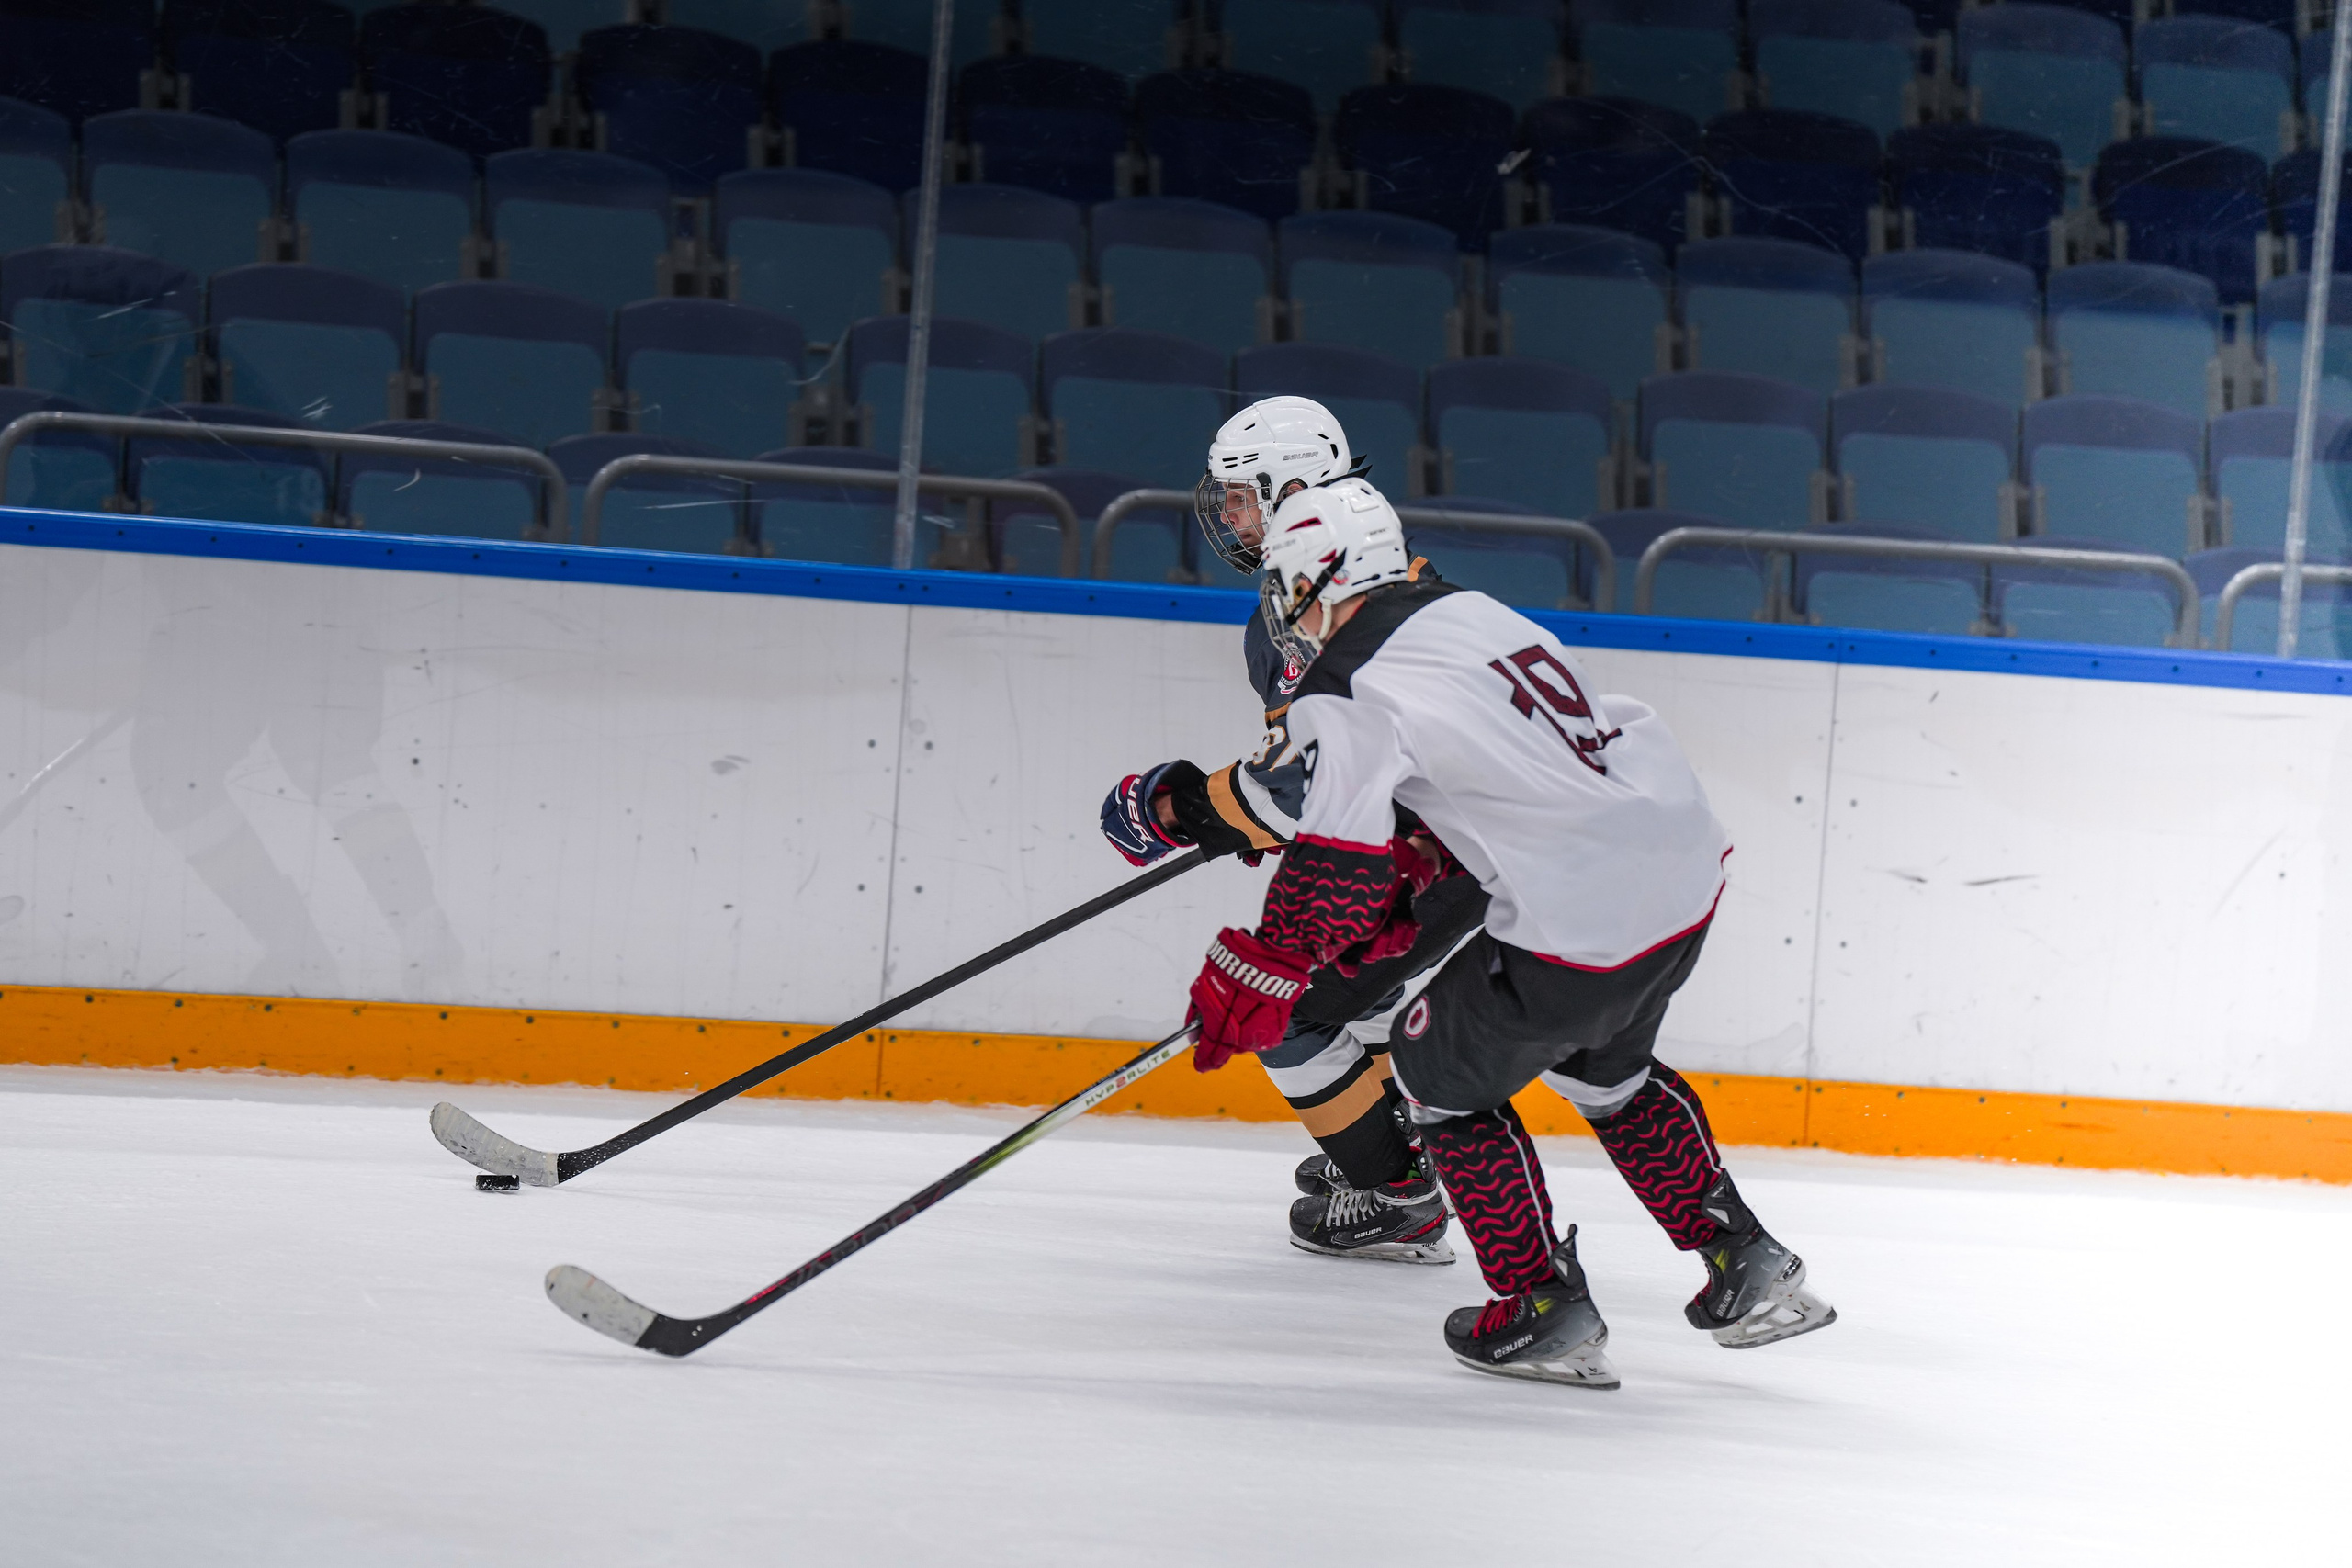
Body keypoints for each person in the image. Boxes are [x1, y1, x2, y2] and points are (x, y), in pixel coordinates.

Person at [1182, 475, 1837, 1387]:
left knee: (1434, 1079)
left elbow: (1335, 865)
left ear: (1314, 577)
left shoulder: (1345, 679)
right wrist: (1423, 852)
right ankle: (1747, 1260)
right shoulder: (1471, 612)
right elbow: (1509, 763)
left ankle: (1541, 1307)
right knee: (1605, 1073)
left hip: (1578, 908)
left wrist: (1270, 964)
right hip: (1680, 871)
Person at [1098, 396, 1484, 1266]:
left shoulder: (1346, 594)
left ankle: (1397, 1194)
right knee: (1366, 992)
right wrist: (1248, 816)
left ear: (1291, 488)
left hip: (1440, 855)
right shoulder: (1368, 581)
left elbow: (1317, 777)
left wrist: (1188, 811)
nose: (1231, 518)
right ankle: (1389, 1148)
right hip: (1442, 848)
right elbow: (1324, 769)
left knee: (1293, 1011)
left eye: (1241, 497)